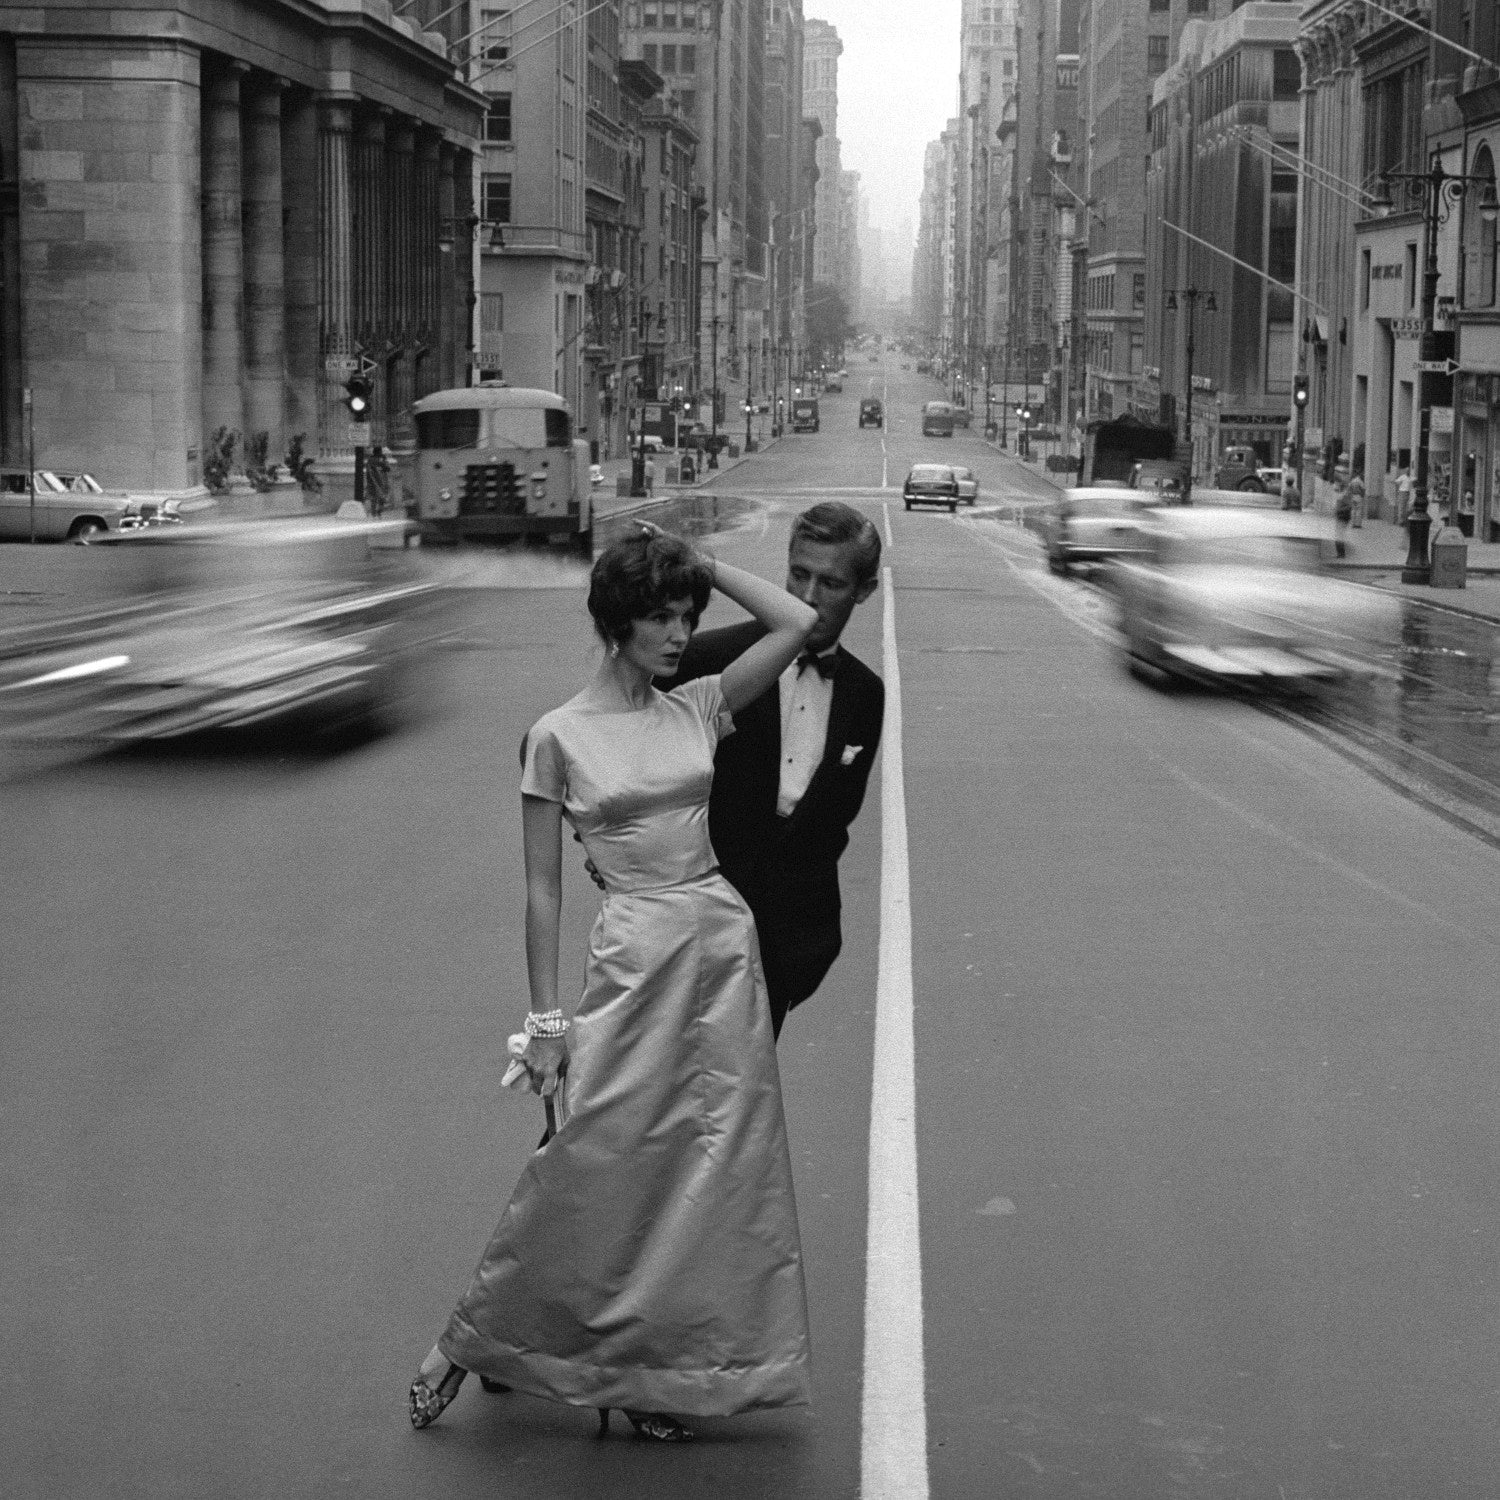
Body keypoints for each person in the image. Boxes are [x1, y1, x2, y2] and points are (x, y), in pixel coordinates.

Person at [407, 525, 819, 1442]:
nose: (677, 635)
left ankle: (653, 1374)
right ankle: (465, 1342)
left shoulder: (700, 706)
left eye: (685, 617)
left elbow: (798, 622)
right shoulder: (557, 736)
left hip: (720, 951)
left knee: (706, 1172)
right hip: (635, 958)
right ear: (615, 622)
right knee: (591, 1163)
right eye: (657, 618)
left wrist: (697, 562)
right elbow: (543, 890)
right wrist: (545, 1020)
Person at [660, 502, 884, 1040]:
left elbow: (831, 825)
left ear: (864, 590)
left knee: (738, 1114)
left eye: (830, 583)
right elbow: (600, 746)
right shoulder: (707, 660)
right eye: (798, 574)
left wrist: (802, 952)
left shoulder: (865, 693)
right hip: (688, 943)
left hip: (780, 956)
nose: (807, 597)